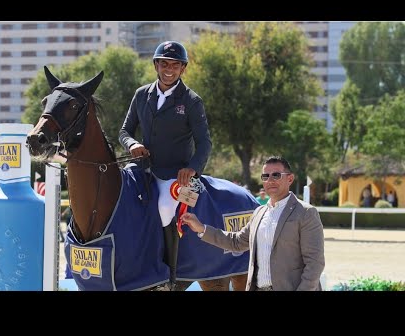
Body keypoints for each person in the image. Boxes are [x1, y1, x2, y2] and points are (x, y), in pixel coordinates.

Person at [119, 40, 212, 290]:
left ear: (183, 69)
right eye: (164, 64)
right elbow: (125, 130)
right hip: (143, 168)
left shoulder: (192, 101)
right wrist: (131, 145)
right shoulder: (142, 94)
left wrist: (192, 168)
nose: (168, 69)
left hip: (175, 175)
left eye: (174, 65)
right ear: (156, 65)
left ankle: (167, 275)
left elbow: (204, 143)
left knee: (163, 210)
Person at [181, 156, 325, 291]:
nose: (270, 180)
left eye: (276, 175)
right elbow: (236, 242)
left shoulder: (306, 213)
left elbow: (315, 264)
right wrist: (201, 228)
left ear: (290, 178)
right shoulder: (258, 213)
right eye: (265, 176)